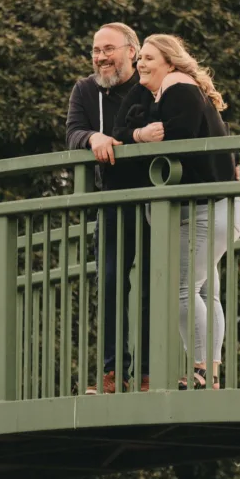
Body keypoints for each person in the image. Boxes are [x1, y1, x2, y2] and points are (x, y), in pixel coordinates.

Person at [114, 34, 240, 389]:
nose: (142, 63)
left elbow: (181, 138)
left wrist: (146, 137)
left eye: (150, 58)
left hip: (208, 207)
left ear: (170, 61)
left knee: (181, 288)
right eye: (141, 58)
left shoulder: (178, 87)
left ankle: (202, 368)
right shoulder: (155, 91)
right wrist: (139, 135)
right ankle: (210, 374)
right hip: (213, 206)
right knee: (204, 291)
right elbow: (118, 130)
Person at [66, 22, 151, 393]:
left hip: (155, 200)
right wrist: (93, 137)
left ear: (131, 51)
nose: (100, 57)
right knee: (113, 283)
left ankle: (148, 373)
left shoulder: (152, 84)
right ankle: (114, 373)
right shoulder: (85, 90)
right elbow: (72, 133)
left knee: (152, 285)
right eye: (96, 50)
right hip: (112, 200)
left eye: (108, 49)